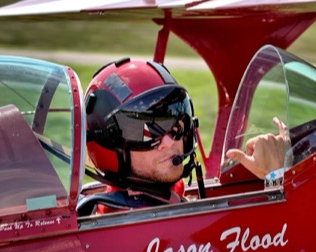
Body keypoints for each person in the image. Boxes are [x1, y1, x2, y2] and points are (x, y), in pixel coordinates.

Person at [79, 57, 285, 216]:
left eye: (176, 125)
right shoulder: (140, 225)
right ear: (109, 143)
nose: (169, 142)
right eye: (148, 133)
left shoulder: (160, 202)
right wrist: (276, 177)